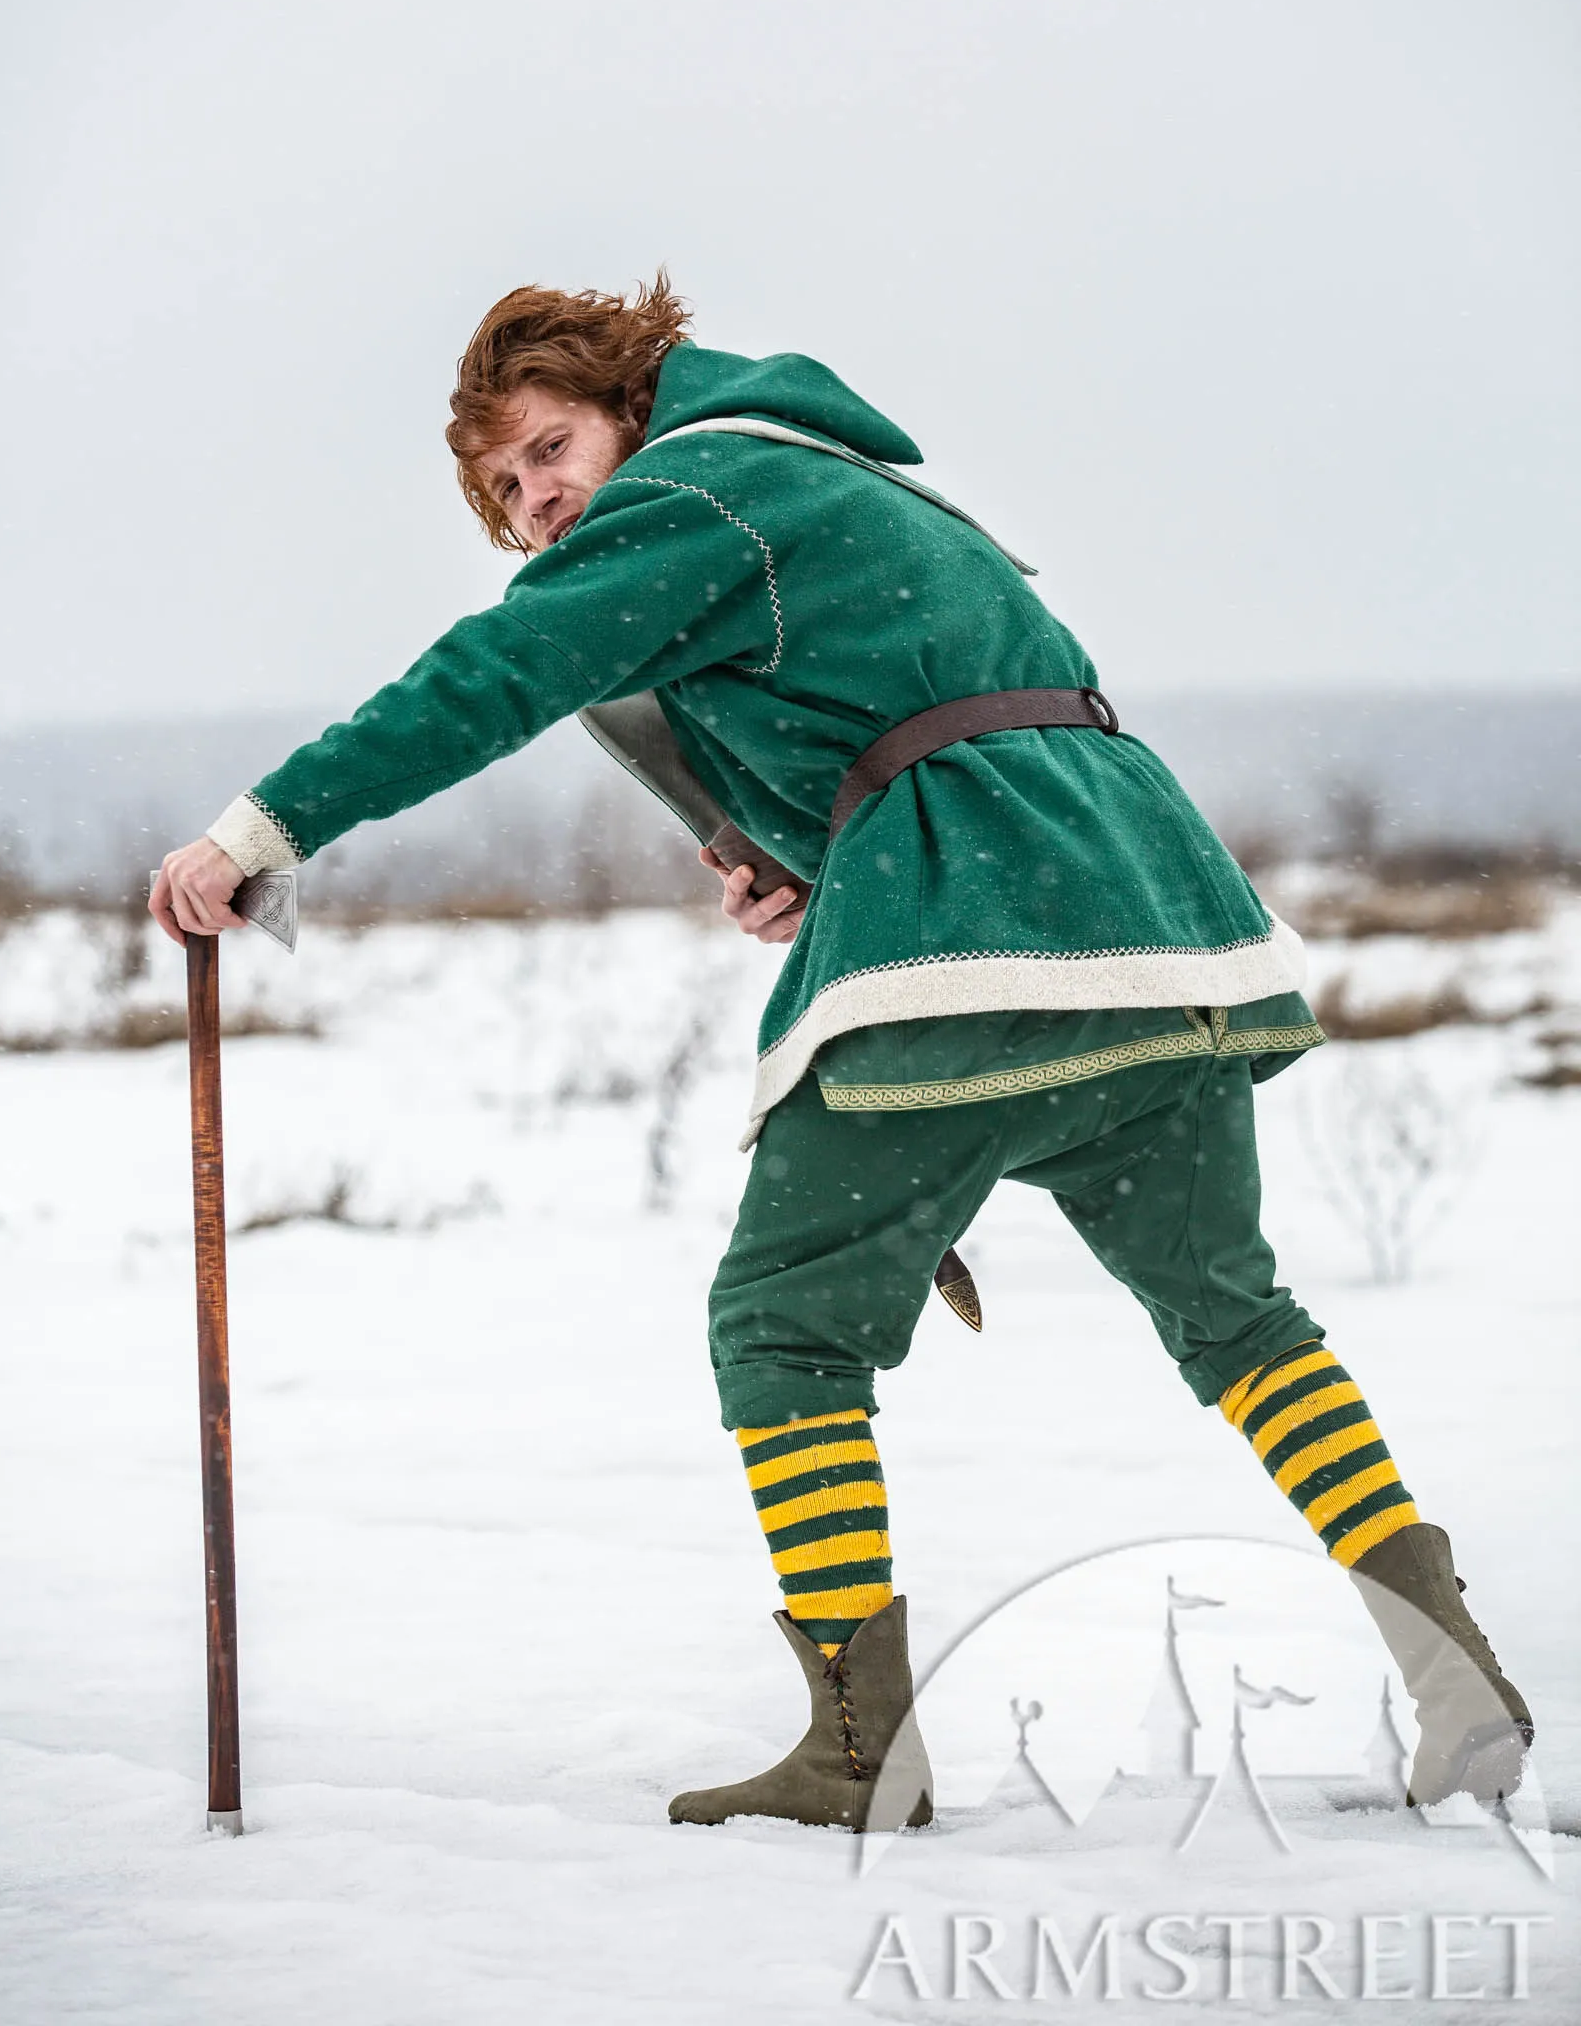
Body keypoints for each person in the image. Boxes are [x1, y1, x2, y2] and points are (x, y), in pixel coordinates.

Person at [151, 275, 1531, 1830]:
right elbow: (936, 703)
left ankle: (861, 1746)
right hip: (1154, 921)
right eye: (504, 485)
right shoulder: (830, 477)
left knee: (784, 1327)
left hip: (987, 936)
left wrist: (262, 830)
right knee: (1237, 1321)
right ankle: (1457, 1678)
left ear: (628, 402)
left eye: (550, 446)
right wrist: (818, 860)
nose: (536, 496)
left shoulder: (696, 488)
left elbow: (490, 680)